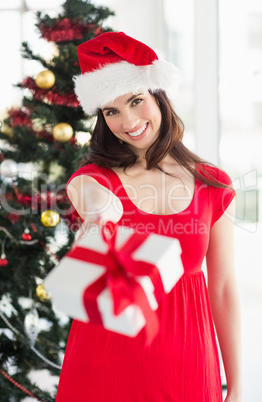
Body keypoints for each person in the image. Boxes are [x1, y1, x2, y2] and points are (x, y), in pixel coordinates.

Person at [56, 32, 242, 401]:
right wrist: (99, 214)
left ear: (159, 97)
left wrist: (236, 388)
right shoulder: (94, 179)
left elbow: (221, 290)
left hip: (188, 369)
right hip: (104, 367)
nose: (127, 121)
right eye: (111, 111)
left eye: (136, 101)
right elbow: (89, 196)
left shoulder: (213, 185)